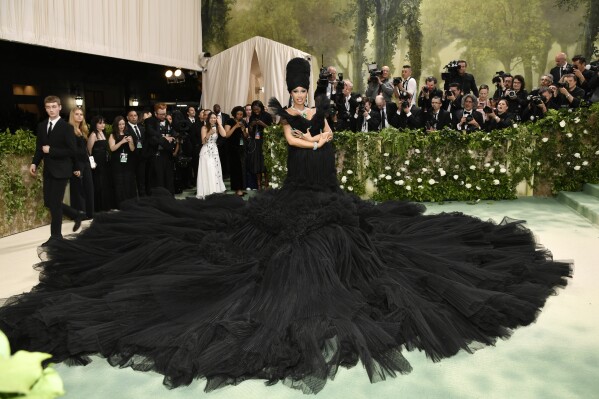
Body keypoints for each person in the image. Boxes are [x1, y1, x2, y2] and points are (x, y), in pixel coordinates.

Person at [0, 58, 571, 395]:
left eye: (304, 90)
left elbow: (328, 137)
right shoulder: (289, 120)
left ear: (311, 90)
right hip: (295, 193)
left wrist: (322, 136)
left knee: (358, 244)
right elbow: (297, 140)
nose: (300, 94)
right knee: (252, 251)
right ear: (291, 91)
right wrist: (311, 135)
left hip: (324, 191)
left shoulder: (321, 111)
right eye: (295, 90)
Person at [30, 95, 83, 242]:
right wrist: (35, 163)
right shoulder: (41, 126)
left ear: (60, 107)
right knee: (48, 202)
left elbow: (72, 151)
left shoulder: (67, 128)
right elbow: (39, 149)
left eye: (54, 106)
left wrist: (51, 150)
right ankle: (75, 214)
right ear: (45, 109)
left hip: (62, 170)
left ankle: (56, 237)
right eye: (48, 107)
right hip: (48, 170)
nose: (51, 110)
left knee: (54, 204)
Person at [68, 108, 94, 219]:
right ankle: (79, 214)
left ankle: (89, 213)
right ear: (72, 116)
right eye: (77, 114)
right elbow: (71, 150)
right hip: (76, 163)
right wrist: (75, 167)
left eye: (81, 114)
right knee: (78, 189)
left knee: (89, 187)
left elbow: (84, 149)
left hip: (85, 162)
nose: (79, 116)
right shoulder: (69, 130)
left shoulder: (82, 130)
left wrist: (90, 160)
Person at [196, 111, 227, 198]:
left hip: (215, 151)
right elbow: (203, 141)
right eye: (211, 118)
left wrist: (220, 124)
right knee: (208, 170)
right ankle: (208, 192)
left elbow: (224, 135)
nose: (213, 119)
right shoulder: (204, 128)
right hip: (206, 151)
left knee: (215, 170)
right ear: (208, 119)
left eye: (215, 118)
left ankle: (216, 190)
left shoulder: (217, 127)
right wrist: (209, 134)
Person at [108, 116, 136, 207]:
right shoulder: (113, 135)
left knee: (128, 182)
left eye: (123, 124)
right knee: (119, 183)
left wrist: (130, 142)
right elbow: (112, 148)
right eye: (119, 124)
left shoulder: (128, 134)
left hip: (128, 162)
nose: (121, 126)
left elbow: (132, 149)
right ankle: (119, 204)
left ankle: (129, 203)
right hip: (117, 162)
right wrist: (122, 142)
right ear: (116, 125)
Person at [87, 115, 113, 211]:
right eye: (100, 123)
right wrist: (92, 164)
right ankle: (99, 207)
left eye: (103, 122)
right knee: (99, 184)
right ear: (95, 124)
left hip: (105, 162)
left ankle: (106, 206)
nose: (103, 125)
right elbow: (89, 151)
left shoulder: (103, 133)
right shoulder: (93, 134)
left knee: (105, 184)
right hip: (97, 163)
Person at [246, 100, 273, 190]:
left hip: (265, 141)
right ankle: (259, 185)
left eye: (257, 109)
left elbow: (272, 130)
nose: (256, 111)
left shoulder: (267, 116)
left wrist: (262, 124)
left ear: (261, 108)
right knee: (257, 164)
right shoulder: (252, 117)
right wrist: (251, 125)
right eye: (254, 110)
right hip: (256, 143)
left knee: (265, 163)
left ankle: (266, 184)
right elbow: (250, 133)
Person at [224, 106, 248, 196]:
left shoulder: (243, 122)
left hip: (241, 148)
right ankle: (237, 189)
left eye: (241, 114)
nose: (239, 116)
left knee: (242, 168)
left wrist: (242, 129)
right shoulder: (229, 121)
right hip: (232, 148)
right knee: (235, 169)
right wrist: (235, 126)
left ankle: (241, 188)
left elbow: (246, 136)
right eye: (238, 114)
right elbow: (227, 135)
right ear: (234, 114)